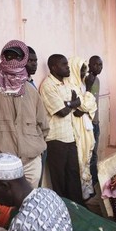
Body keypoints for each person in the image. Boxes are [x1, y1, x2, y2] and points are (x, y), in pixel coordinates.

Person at [0, 40, 49, 187]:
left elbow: (43, 125)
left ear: (23, 60)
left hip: (31, 161)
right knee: (5, 208)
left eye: (17, 57)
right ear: (3, 58)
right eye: (9, 56)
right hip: (3, 166)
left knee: (29, 204)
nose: (12, 61)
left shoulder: (31, 91)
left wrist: (35, 147)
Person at [40, 54, 87, 204]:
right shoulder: (48, 85)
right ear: (54, 68)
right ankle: (62, 212)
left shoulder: (66, 84)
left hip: (70, 136)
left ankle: (78, 211)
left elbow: (77, 108)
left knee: (73, 176)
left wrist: (70, 103)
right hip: (55, 139)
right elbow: (62, 111)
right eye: (64, 65)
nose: (68, 67)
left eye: (67, 64)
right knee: (59, 180)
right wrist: (72, 103)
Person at [68, 56, 98, 199]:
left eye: (85, 71)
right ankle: (81, 194)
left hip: (85, 126)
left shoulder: (82, 85)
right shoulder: (71, 86)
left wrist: (84, 107)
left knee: (87, 157)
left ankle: (87, 191)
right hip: (77, 128)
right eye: (81, 71)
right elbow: (86, 105)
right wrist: (85, 103)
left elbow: (90, 106)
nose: (84, 74)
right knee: (80, 159)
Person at [88, 55, 103, 187]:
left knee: (95, 153)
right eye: (95, 64)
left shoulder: (97, 80)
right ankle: (91, 182)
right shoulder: (88, 80)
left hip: (96, 122)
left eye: (100, 65)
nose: (98, 67)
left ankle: (94, 180)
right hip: (89, 124)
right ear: (89, 65)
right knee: (90, 155)